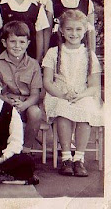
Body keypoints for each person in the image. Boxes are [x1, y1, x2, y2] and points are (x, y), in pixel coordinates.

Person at [42, 10, 103, 177]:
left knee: (86, 110)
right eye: (69, 29)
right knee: (63, 110)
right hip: (58, 93)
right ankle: (66, 157)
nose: (73, 33)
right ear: (61, 30)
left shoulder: (89, 55)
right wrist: (62, 95)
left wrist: (81, 95)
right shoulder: (53, 53)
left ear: (84, 31)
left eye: (78, 29)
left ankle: (79, 159)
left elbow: (94, 85)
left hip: (83, 94)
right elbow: (47, 82)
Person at [0, 21, 43, 153]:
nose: (17, 46)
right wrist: (7, 101)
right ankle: (4, 150)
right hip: (5, 102)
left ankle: (26, 149)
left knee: (36, 112)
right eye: (13, 41)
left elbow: (35, 95)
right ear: (4, 43)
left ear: (28, 43)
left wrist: (24, 105)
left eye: (21, 42)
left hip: (26, 104)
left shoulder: (33, 65)